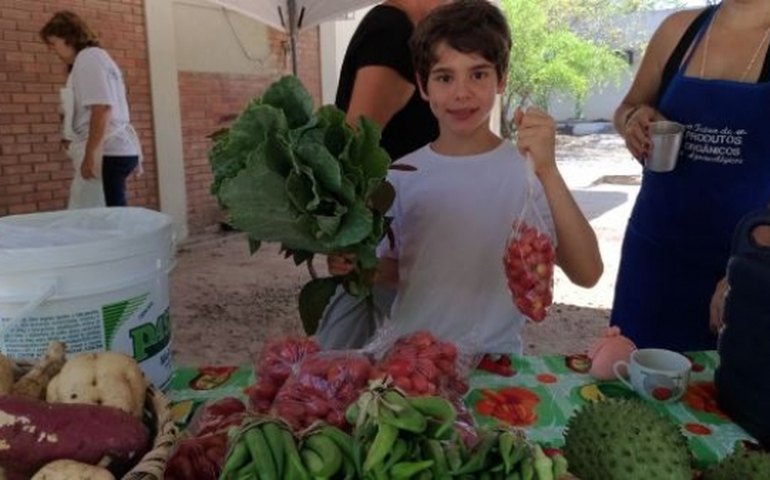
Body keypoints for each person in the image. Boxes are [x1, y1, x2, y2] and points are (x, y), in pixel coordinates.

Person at [329, 0, 603, 353]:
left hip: (494, 362)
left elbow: (588, 272)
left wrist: (548, 170)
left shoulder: (526, 172)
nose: (461, 93)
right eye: (445, 77)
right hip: (413, 360)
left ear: (501, 79)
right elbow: (401, 272)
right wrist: (355, 265)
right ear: (423, 85)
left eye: (478, 74)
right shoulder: (400, 176)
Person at [611, 0, 770, 351]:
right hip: (653, 256)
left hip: (742, 268)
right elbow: (626, 108)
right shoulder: (678, 31)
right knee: (629, 371)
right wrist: (633, 120)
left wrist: (752, 268)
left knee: (726, 382)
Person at [317, 0, 445, 349]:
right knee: (414, 353)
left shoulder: (410, 32)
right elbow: (356, 147)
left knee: (351, 356)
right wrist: (348, 238)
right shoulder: (393, 32)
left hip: (397, 233)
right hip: (385, 233)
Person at [40, 11, 142, 209]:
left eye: (54, 43)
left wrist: (91, 155)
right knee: (102, 213)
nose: (52, 50)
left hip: (107, 152)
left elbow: (102, 109)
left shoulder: (89, 58)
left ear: (69, 38)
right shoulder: (93, 59)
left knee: (100, 216)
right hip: (112, 151)